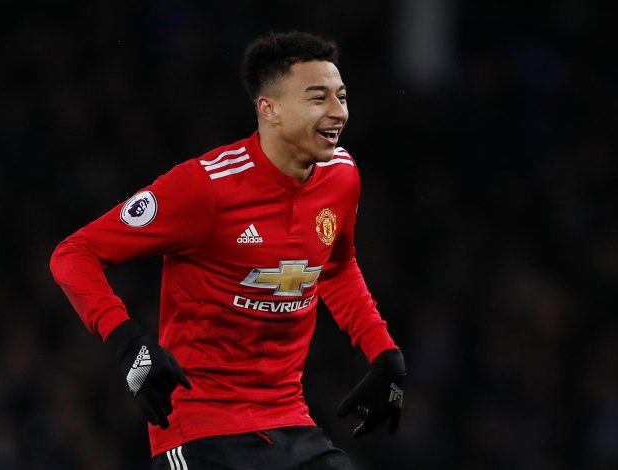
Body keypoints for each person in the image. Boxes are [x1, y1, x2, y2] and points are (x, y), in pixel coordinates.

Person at [50, 30, 406, 470]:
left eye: (342, 96)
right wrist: (130, 346)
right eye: (319, 98)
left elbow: (335, 266)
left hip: (289, 422)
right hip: (202, 433)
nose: (339, 112)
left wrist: (385, 354)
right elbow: (73, 254)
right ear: (269, 109)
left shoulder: (342, 176)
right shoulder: (205, 188)